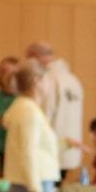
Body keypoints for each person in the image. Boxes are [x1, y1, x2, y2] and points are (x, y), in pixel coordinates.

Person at [0, 62, 60, 192]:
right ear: (37, 81)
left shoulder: (25, 108)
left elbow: (38, 146)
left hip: (29, 179)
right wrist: (35, 188)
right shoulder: (29, 111)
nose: (51, 85)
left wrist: (67, 144)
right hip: (34, 180)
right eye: (48, 80)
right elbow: (28, 150)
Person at [26, 41, 84, 179]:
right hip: (69, 146)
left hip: (51, 148)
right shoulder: (72, 79)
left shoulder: (47, 79)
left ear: (34, 57)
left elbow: (44, 115)